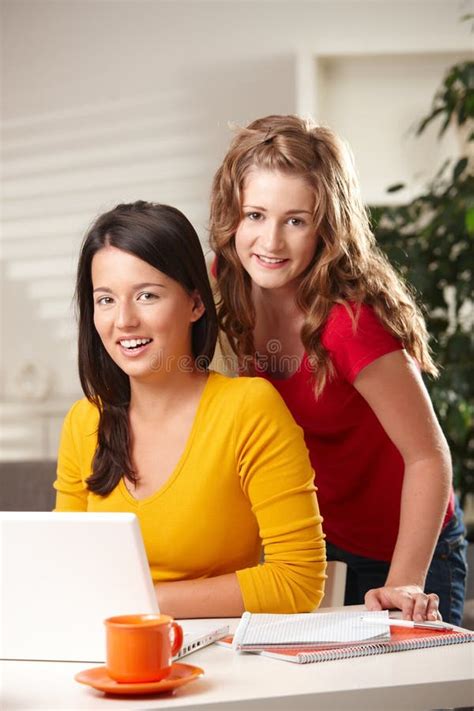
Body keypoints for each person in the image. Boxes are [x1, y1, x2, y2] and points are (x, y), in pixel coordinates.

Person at [209, 115, 467, 625]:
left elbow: (428, 457)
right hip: (317, 547)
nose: (271, 241)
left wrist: (405, 581)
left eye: (296, 220)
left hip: (406, 552)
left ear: (326, 225)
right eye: (255, 215)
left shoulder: (349, 324)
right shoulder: (225, 287)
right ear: (231, 216)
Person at [53, 200, 326, 619]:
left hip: (222, 662)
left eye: (147, 295)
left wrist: (140, 603)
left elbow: (298, 580)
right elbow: (64, 569)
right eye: (105, 300)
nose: (123, 320)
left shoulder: (247, 409)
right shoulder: (83, 422)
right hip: (109, 654)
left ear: (196, 304)